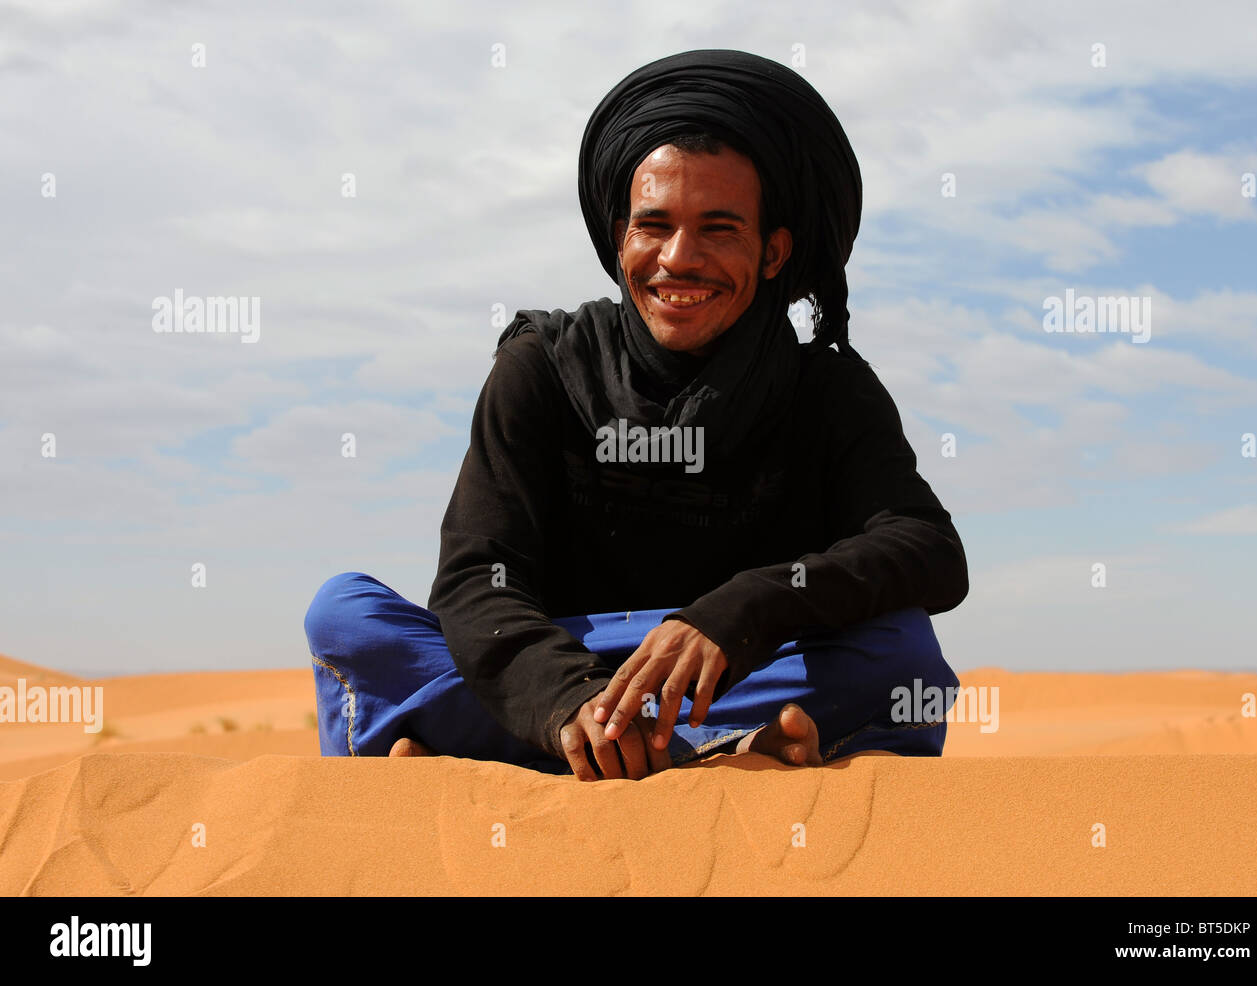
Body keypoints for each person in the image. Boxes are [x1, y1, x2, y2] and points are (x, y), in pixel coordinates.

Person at [305, 49, 969, 781]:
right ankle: (711, 753)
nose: (678, 259)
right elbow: (476, 579)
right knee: (344, 615)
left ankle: (508, 755)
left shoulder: (827, 389)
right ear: (620, 237)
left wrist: (742, 611)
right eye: (654, 225)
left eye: (719, 229)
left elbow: (928, 549)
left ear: (774, 251)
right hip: (565, 665)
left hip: (739, 668)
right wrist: (566, 699)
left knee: (903, 654)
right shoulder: (546, 366)